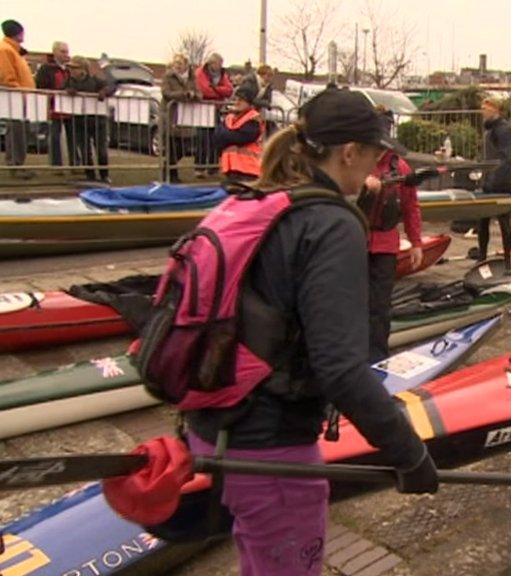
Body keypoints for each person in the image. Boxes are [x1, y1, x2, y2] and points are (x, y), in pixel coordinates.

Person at [186, 86, 437, 576]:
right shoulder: (329, 222)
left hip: (214, 430)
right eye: (374, 157)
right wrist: (410, 454)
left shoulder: (260, 199)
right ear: (349, 152)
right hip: (270, 450)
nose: (375, 171)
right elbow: (341, 368)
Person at [360, 111, 423, 362]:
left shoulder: (402, 168)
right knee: (353, 302)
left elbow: (411, 207)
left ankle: (377, 358)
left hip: (385, 243)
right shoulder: (356, 162)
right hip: (356, 242)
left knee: (380, 307)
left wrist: (416, 243)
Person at [475, 98, 511, 271]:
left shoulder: (504, 130)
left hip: (502, 183)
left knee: (504, 223)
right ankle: (482, 257)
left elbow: (508, 158)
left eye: (486, 109)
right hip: (489, 181)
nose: (483, 112)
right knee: (482, 221)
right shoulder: (490, 130)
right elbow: (489, 156)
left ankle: (507, 261)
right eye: (482, 109)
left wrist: (494, 180)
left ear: (495, 110)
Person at [65, 56, 115, 183]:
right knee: (85, 150)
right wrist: (67, 91)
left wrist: (104, 91)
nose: (71, 70)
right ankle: (90, 175)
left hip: (98, 121)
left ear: (83, 69)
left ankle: (104, 175)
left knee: (101, 150)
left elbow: (111, 87)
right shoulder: (69, 81)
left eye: (74, 68)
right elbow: (60, 89)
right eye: (70, 67)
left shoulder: (95, 80)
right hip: (79, 121)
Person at [0, 19, 34, 179]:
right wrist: (20, 92)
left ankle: (18, 164)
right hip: (17, 98)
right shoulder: (5, 50)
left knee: (21, 132)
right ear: (19, 33)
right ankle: (14, 165)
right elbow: (7, 77)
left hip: (22, 97)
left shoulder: (14, 51)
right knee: (15, 132)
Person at [161, 54, 199, 183]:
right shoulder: (168, 76)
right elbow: (166, 93)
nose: (177, 65)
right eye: (175, 62)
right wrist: (183, 94)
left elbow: (200, 93)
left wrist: (194, 96)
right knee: (172, 145)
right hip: (171, 115)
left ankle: (167, 169)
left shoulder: (192, 78)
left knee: (183, 147)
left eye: (180, 63)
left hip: (186, 117)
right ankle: (171, 175)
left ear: (186, 65)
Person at [213, 83, 264, 181]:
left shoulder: (254, 118)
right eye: (236, 99)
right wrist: (227, 135)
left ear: (250, 103)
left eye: (241, 100)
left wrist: (225, 135)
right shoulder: (230, 117)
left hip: (249, 170)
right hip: (230, 168)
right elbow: (216, 136)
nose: (237, 102)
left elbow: (243, 137)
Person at [195, 53, 234, 177]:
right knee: (202, 138)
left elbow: (229, 90)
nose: (220, 66)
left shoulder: (223, 74)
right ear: (212, 63)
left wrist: (215, 89)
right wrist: (219, 92)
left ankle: (213, 166)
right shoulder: (200, 72)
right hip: (202, 109)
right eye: (219, 63)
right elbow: (204, 89)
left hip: (215, 109)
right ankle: (199, 167)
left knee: (215, 137)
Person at [35, 41, 72, 170]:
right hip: (53, 108)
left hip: (69, 108)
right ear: (55, 52)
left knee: (72, 137)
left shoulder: (69, 69)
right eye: (63, 51)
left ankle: (75, 164)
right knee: (54, 137)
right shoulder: (46, 68)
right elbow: (41, 85)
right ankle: (56, 166)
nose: (66, 55)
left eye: (67, 51)